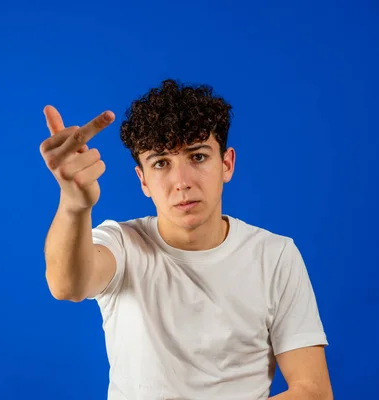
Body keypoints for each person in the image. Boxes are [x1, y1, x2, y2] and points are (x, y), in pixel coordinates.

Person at [39, 79, 333, 400]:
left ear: (227, 164)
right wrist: (74, 203)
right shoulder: (121, 243)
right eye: (161, 163)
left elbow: (313, 391)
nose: (182, 182)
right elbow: (67, 285)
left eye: (197, 157)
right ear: (143, 181)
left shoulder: (275, 255)